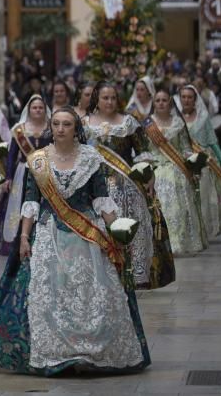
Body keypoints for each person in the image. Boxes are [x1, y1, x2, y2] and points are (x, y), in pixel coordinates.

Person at [0, 108, 151, 376]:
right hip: (49, 234)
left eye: (66, 124)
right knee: (50, 292)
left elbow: (101, 199)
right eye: (55, 123)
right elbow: (31, 202)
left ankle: (92, 353)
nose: (60, 128)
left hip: (87, 236)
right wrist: (23, 237)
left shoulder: (91, 158)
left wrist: (117, 229)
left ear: (75, 128)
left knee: (93, 294)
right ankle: (55, 352)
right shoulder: (39, 160)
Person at [85, 82, 173, 290]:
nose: (109, 102)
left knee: (132, 230)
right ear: (96, 99)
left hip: (127, 187)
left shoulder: (129, 123)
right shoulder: (84, 124)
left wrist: (149, 176)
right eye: (105, 98)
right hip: (94, 188)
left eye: (113, 98)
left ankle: (133, 274)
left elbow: (143, 153)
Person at [144, 89, 206, 255]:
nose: (161, 103)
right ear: (154, 103)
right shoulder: (147, 125)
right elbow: (143, 151)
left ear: (170, 102)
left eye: (164, 100)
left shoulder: (178, 123)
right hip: (155, 168)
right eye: (158, 100)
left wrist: (193, 160)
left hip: (177, 167)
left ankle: (179, 242)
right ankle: (162, 243)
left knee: (179, 198)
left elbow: (185, 148)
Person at [0, 95, 51, 256]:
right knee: (21, 204)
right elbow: (12, 155)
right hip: (23, 172)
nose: (38, 110)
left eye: (40, 107)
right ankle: (19, 239)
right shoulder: (19, 130)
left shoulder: (52, 127)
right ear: (29, 110)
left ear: (45, 109)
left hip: (45, 171)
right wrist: (8, 177)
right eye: (34, 107)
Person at [177, 85, 221, 238]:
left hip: (203, 162)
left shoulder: (203, 118)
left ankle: (203, 232)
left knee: (203, 197)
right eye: (183, 97)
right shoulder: (176, 120)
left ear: (195, 99)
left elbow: (212, 141)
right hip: (183, 163)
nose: (186, 100)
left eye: (189, 97)